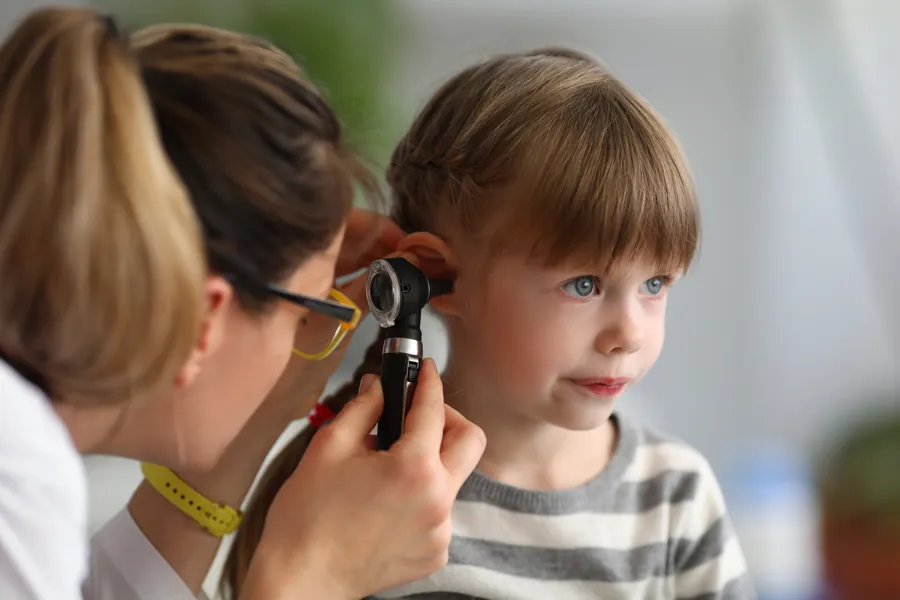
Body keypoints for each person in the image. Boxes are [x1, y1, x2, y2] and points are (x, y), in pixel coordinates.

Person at [223, 47, 758, 599]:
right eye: (583, 285)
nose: (629, 334)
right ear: (438, 275)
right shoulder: (370, 499)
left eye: (655, 284)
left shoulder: (675, 497)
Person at [0, 7, 484, 600]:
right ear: (206, 317)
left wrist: (261, 416)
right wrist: (313, 573)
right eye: (309, 305)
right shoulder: (16, 480)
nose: (316, 330)